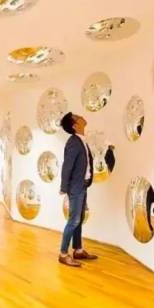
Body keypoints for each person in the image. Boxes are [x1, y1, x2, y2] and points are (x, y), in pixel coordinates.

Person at [58, 112, 97, 267]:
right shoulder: (73, 142)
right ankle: (63, 254)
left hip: (82, 185)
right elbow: (67, 166)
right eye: (76, 116)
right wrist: (64, 188)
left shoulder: (81, 140)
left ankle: (78, 250)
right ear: (75, 125)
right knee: (73, 220)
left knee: (79, 218)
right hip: (76, 186)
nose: (80, 116)